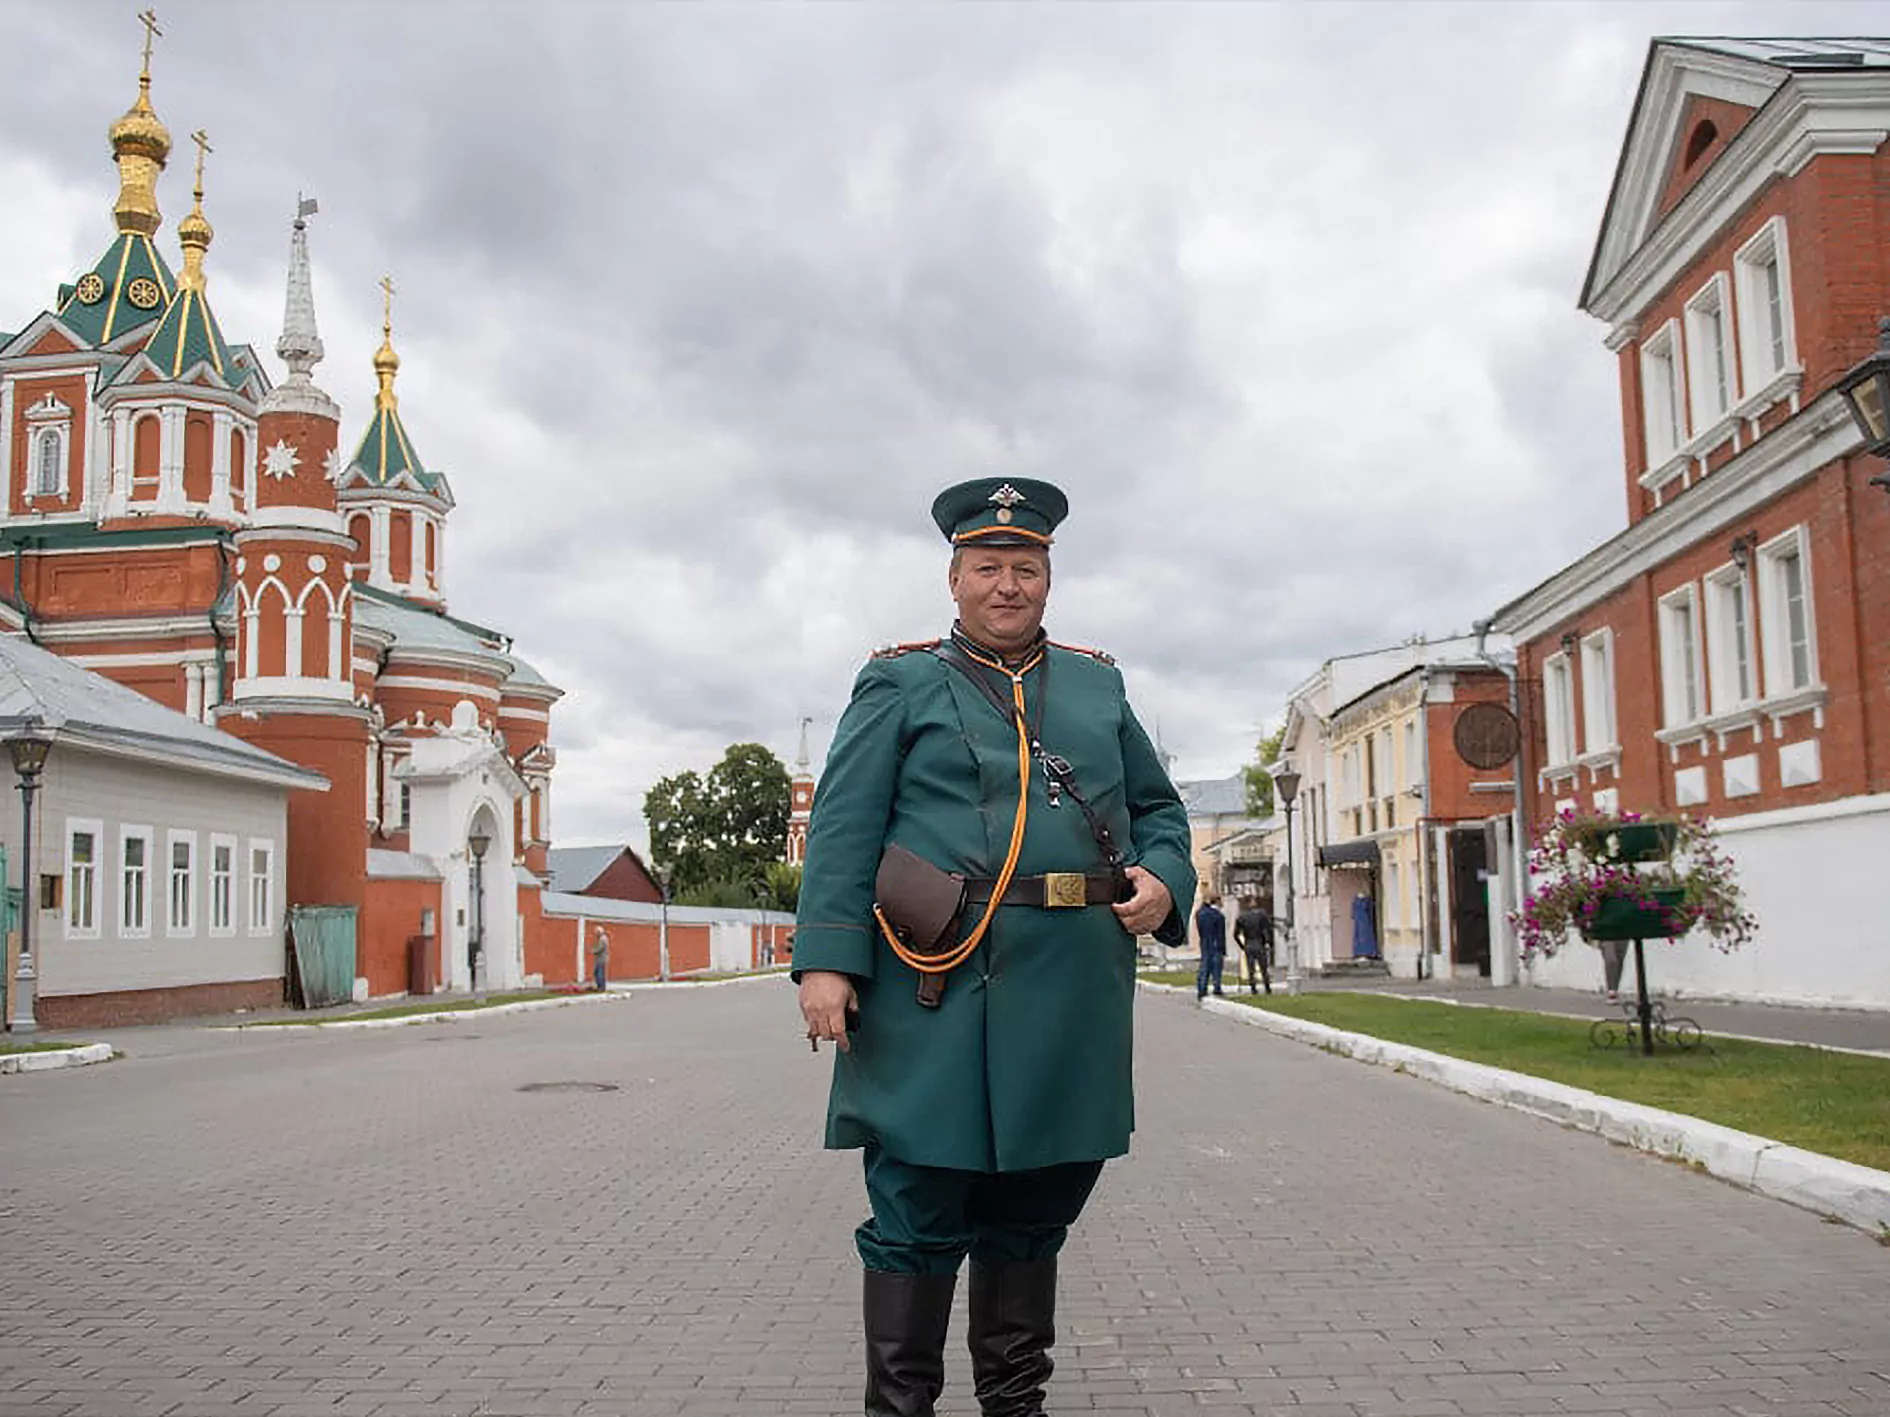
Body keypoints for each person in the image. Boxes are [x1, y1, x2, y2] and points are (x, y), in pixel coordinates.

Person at [794, 477, 1194, 1417]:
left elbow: (1158, 809)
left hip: (1070, 992)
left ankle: (1017, 1407)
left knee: (1034, 1213)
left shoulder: (1098, 684)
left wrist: (1166, 876)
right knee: (917, 1212)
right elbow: (844, 829)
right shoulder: (900, 681)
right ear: (955, 576)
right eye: (988, 567)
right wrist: (825, 961)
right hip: (929, 988)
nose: (1007, 584)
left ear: (1048, 577)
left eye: (1026, 566)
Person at [1233, 895, 1273, 995]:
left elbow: (1235, 934)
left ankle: (1253, 988)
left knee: (1251, 968)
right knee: (1263, 966)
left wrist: (1242, 945)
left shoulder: (1241, 917)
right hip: (1259, 942)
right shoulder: (1261, 914)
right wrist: (1268, 942)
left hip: (1248, 943)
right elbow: (1267, 929)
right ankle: (1267, 987)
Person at [1194, 895, 1226, 1000]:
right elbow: (1221, 934)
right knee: (1216, 967)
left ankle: (1202, 988)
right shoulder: (1218, 916)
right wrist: (1223, 948)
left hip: (1204, 942)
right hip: (1216, 944)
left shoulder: (1200, 914)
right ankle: (1217, 988)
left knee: (1204, 966)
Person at [590, 925, 610, 992]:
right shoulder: (603, 938)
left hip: (601, 959)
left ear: (599, 932)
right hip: (602, 959)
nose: (596, 934)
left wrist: (593, 951)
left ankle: (600, 987)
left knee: (599, 973)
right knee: (599, 973)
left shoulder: (602, 939)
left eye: (596, 932)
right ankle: (601, 987)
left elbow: (600, 948)